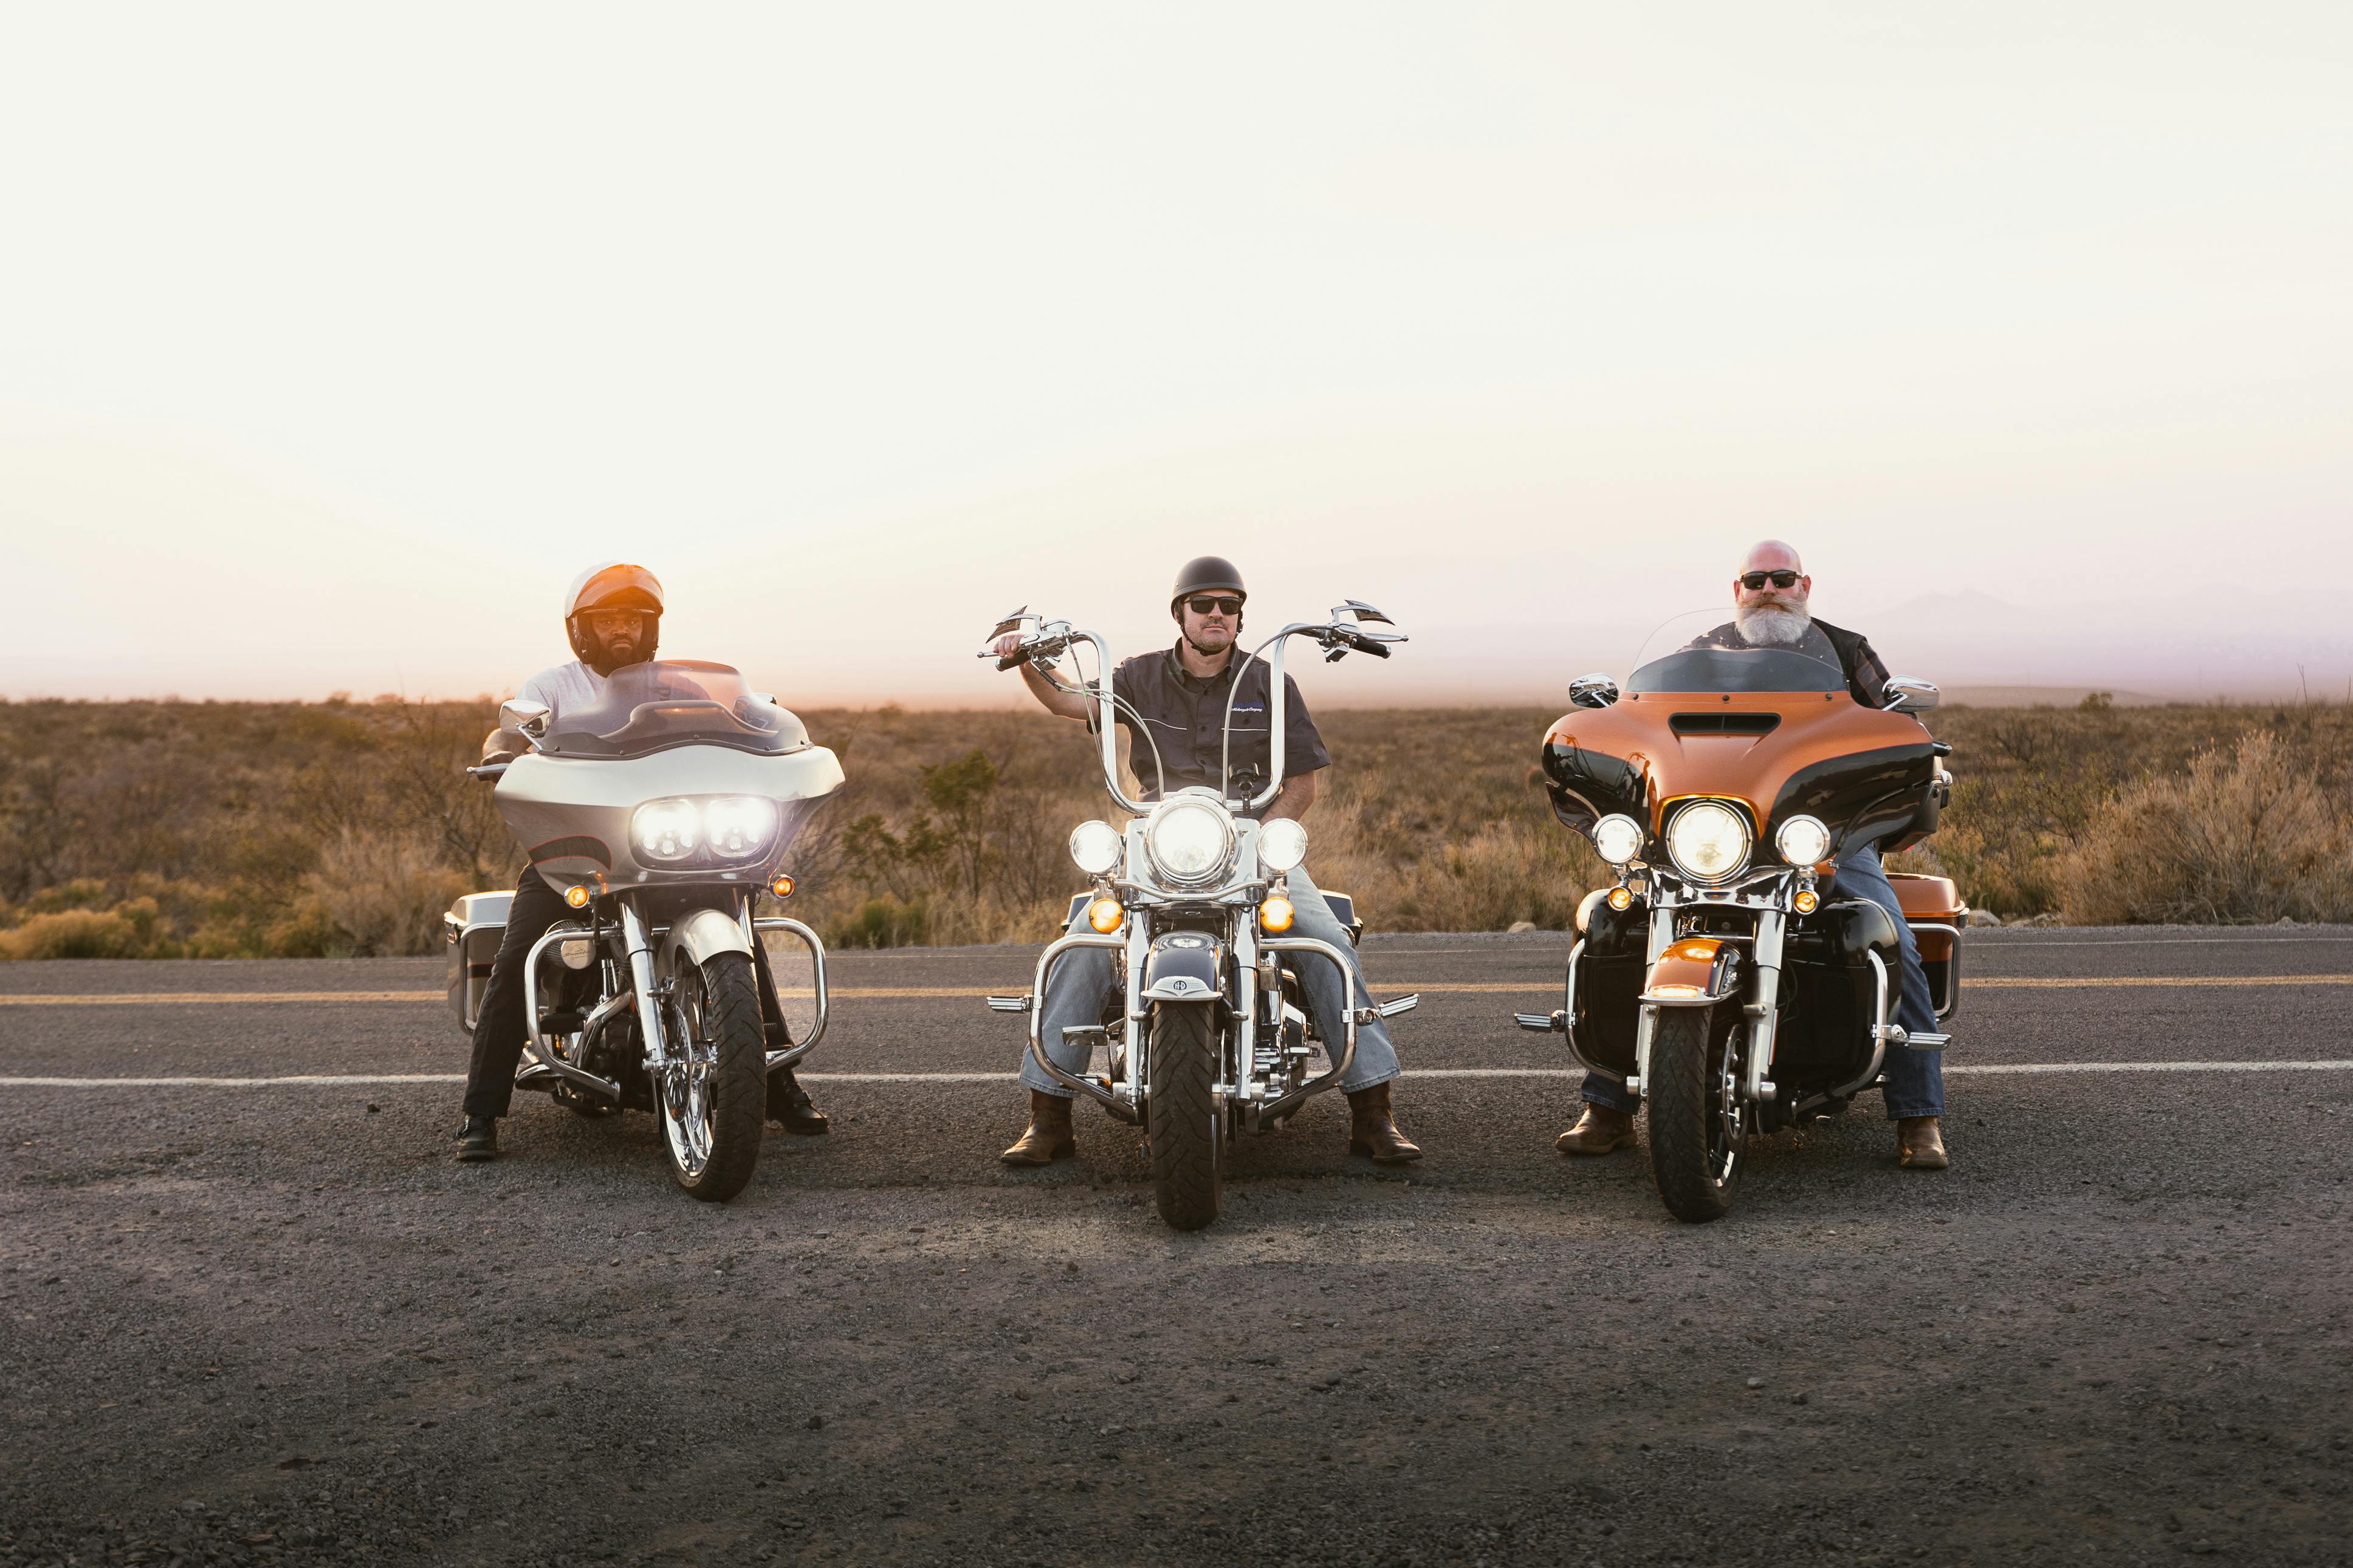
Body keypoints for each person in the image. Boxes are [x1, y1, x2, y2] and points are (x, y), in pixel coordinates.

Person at [988, 556, 1421, 1166]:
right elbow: (1070, 703)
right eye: (1203, 604)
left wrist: (1267, 837)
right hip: (1156, 839)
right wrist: (1029, 662)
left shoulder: (1268, 681)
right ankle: (1048, 1115)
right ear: (1180, 614)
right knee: (1084, 941)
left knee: (1324, 939)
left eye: (1229, 605)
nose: (1217, 614)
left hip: (1246, 840)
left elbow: (1301, 783)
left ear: (1241, 615)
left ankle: (1372, 1111)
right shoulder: (1136, 676)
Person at [1553, 538, 1950, 1171]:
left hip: (1819, 838)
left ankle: (1917, 1114)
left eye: (1781, 578)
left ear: (1804, 585)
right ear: (1735, 589)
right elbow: (1641, 715)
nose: (1768, 589)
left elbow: (1897, 726)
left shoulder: (1847, 652)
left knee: (1890, 938)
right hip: (1709, 833)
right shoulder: (1700, 653)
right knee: (1620, 931)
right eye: (1755, 579)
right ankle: (1608, 1106)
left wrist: (1906, 745)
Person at [452, 561, 827, 1162]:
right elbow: (509, 738)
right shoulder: (552, 686)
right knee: (517, 952)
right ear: (581, 629)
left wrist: (770, 734)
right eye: (607, 620)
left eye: (633, 619)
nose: (621, 630)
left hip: (675, 848)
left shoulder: (678, 685)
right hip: (582, 855)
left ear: (650, 627)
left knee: (746, 948)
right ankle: (480, 1109)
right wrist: (500, 750)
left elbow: (743, 724)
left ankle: (778, 1086)